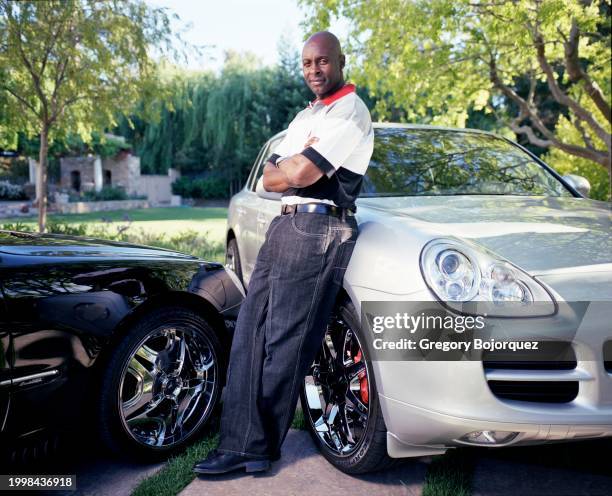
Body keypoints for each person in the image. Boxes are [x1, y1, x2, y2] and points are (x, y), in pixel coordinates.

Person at [193, 31, 374, 475]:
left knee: (285, 341)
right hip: (285, 222)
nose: (315, 70)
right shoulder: (303, 117)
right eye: (308, 63)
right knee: (250, 332)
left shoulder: (350, 111)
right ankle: (237, 441)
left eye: (323, 61)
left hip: (319, 225)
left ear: (341, 61)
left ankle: (258, 446)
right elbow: (268, 180)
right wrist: (291, 172)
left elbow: (300, 169)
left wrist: (291, 170)